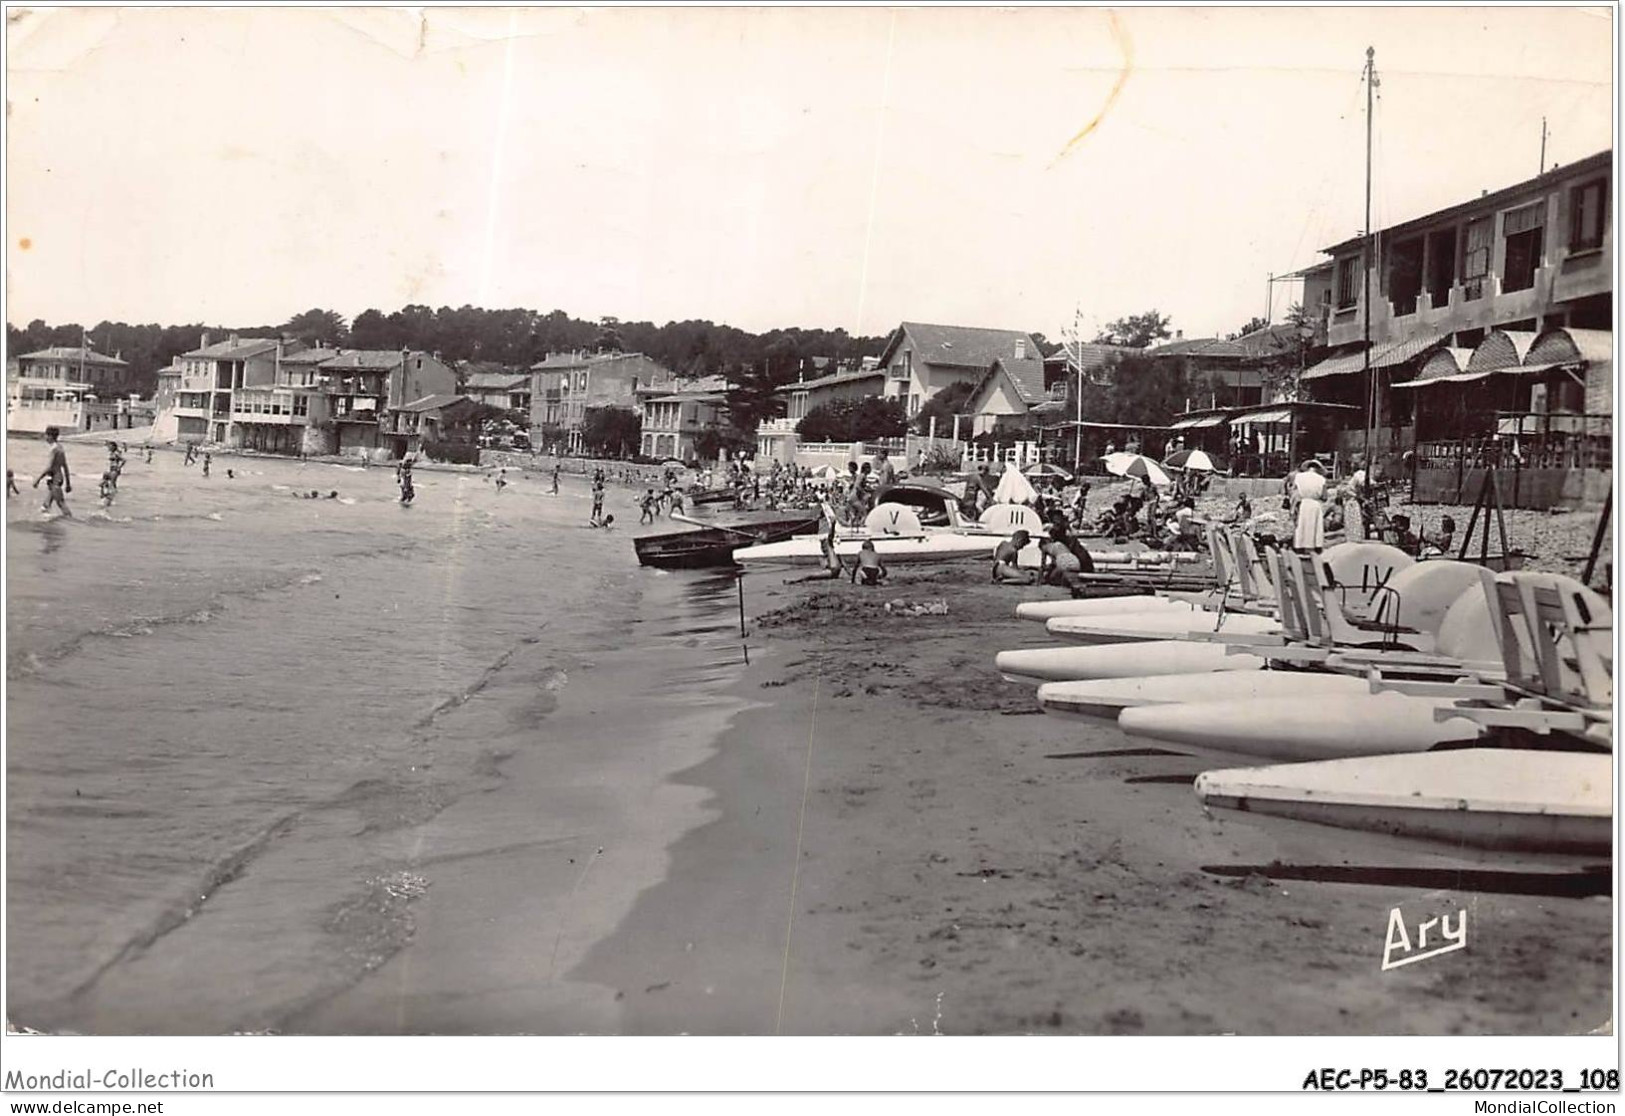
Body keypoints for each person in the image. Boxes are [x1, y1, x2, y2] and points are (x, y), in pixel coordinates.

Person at [33, 425, 71, 516]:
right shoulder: (60, 448)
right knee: (46, 506)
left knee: (61, 503)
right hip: (57, 478)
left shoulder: (54, 449)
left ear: (50, 436)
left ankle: (71, 521)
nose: (45, 437)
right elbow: (65, 466)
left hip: (55, 479)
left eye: (46, 435)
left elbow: (49, 467)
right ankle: (47, 524)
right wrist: (68, 483)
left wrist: (38, 479)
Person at [1291, 459, 1327, 552]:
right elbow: (1324, 496)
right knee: (1314, 526)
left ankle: (1300, 545)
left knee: (1302, 525)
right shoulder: (1321, 479)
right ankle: (1314, 546)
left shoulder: (1299, 477)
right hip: (1315, 504)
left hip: (1304, 503)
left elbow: (1294, 491)